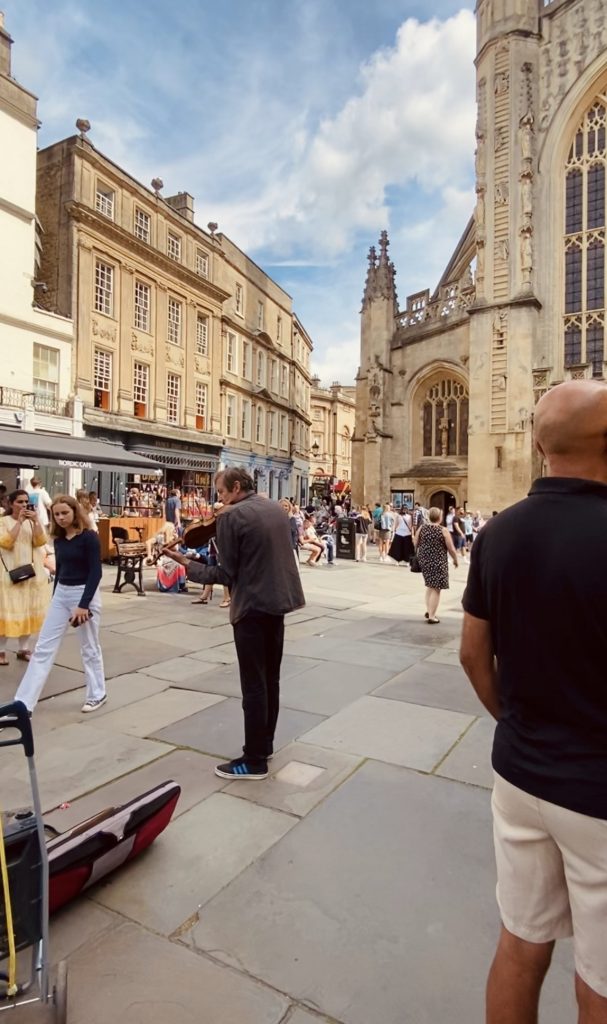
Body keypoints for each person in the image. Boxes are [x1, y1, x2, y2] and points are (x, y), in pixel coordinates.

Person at [459, 379, 607, 1023]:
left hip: (519, 773)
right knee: (600, 979)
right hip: (598, 790)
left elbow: (472, 654)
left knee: (520, 943)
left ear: (539, 445)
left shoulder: (499, 531)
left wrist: (513, 720)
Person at [161, 466, 305, 780]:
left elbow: (227, 575)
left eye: (223, 493)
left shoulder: (230, 517)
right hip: (278, 603)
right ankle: (264, 745)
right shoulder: (274, 508)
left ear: (237, 487)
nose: (220, 501)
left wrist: (187, 563)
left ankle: (253, 761)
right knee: (270, 681)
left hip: (251, 606)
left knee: (253, 685)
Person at [14, 495, 106, 713]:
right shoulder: (59, 540)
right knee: (43, 648)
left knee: (89, 647)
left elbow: (96, 572)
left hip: (85, 594)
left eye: (65, 512)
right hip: (62, 593)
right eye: (57, 514)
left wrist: (84, 605)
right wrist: (55, 599)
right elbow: (61, 571)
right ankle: (23, 703)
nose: (61, 517)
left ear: (75, 512)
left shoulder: (89, 537)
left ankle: (97, 694)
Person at [0, 490, 50, 665]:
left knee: (28, 610)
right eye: (19, 502)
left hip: (30, 573)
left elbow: (41, 541)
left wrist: (36, 521)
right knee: (7, 611)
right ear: (11, 503)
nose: (23, 505)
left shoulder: (32, 522)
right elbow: (6, 542)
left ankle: (24, 648)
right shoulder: (3, 521)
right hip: (8, 574)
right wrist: (19, 522)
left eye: (25, 502)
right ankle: (1, 650)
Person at [413, 506, 457, 623]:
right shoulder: (443, 530)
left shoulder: (422, 528)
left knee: (430, 585)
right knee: (436, 588)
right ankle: (432, 616)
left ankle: (429, 610)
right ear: (439, 517)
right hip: (438, 561)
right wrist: (455, 559)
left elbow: (415, 542)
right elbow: (451, 548)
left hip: (424, 560)